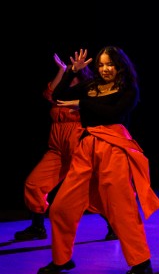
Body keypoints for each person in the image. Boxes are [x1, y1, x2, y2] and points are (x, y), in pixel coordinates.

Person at [39, 46, 159, 274]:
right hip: (86, 147)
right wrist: (70, 72)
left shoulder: (128, 89)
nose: (105, 69)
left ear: (119, 66)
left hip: (114, 148)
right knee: (61, 207)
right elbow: (58, 96)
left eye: (110, 64)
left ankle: (141, 262)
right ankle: (61, 259)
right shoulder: (90, 86)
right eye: (102, 65)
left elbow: (113, 114)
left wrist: (82, 104)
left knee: (121, 207)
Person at [15, 54, 115, 242]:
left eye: (72, 73)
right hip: (57, 149)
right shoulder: (60, 92)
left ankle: (114, 225)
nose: (69, 77)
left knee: (90, 192)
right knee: (34, 184)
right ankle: (37, 227)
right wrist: (62, 70)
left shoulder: (87, 91)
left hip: (78, 147)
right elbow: (50, 93)